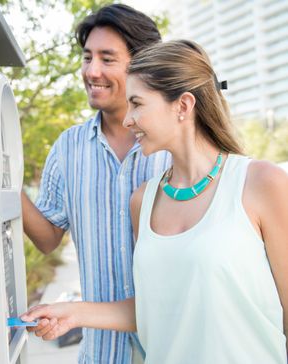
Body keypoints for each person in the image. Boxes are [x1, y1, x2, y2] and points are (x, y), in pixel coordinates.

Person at [21, 40, 288, 364]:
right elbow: (153, 307)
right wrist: (72, 313)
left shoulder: (261, 183)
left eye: (137, 104)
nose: (128, 119)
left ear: (183, 106)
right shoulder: (143, 201)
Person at [21, 4, 171, 364]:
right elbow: (47, 239)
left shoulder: (174, 145)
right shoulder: (67, 148)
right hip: (101, 352)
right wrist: (3, 183)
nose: (92, 71)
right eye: (87, 57)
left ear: (142, 64)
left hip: (172, 348)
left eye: (107, 58)